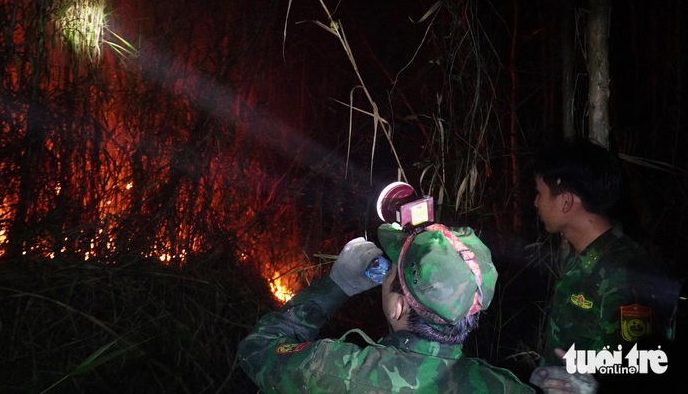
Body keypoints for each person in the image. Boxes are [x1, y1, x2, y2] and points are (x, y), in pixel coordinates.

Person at [237, 222, 535, 393]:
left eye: (392, 269)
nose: (387, 272)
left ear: (399, 306)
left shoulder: (338, 371)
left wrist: (337, 285)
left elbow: (258, 349)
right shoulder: (504, 387)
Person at [528, 138, 680, 393]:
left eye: (540, 193)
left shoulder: (627, 275)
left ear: (565, 202)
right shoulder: (584, 258)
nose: (536, 203)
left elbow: (646, 371)